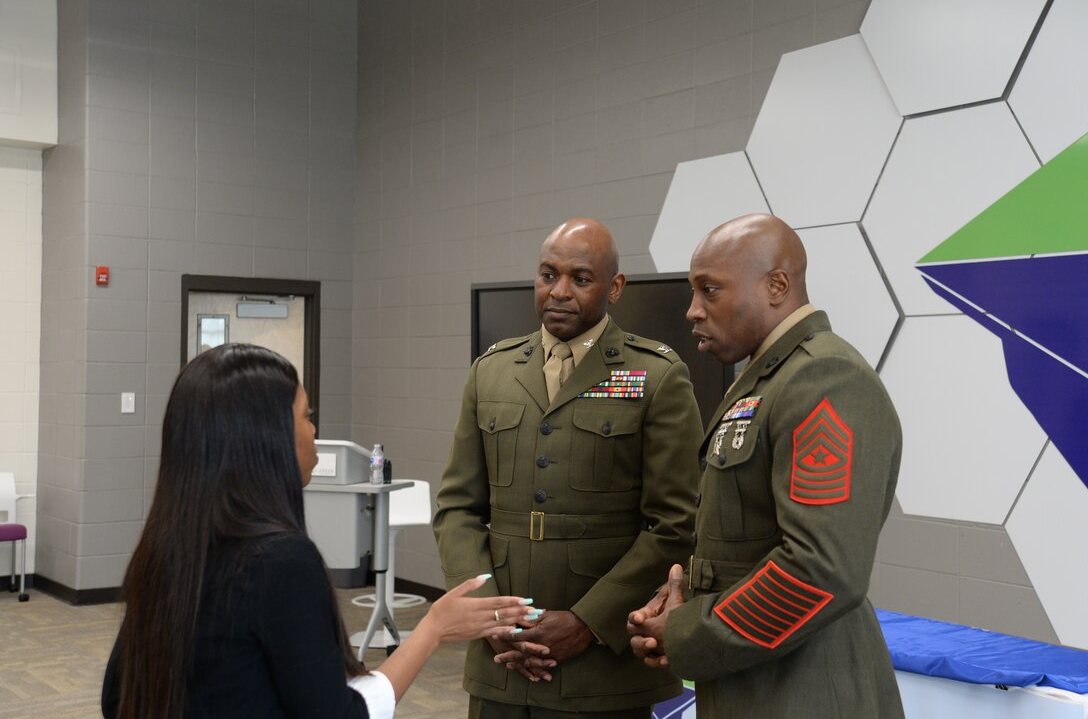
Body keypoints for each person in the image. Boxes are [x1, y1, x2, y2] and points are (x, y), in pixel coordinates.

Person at [101, 343, 538, 719]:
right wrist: (433, 628)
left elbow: (116, 697)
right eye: (306, 417)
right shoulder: (282, 562)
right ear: (266, 439)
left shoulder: (167, 549)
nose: (314, 432)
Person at [627, 214, 905, 718]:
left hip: (804, 692)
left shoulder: (823, 377)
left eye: (710, 290)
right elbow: (748, 541)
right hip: (754, 681)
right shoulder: (765, 379)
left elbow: (821, 569)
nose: (693, 310)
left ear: (777, 285)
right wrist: (682, 600)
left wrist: (688, 632)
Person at [433, 218, 704, 718]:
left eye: (580, 279)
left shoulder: (656, 375)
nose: (559, 292)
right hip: (502, 663)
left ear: (614, 287)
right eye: (547, 275)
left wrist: (586, 622)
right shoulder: (490, 370)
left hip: (601, 666)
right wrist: (490, 613)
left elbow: (675, 525)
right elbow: (457, 509)